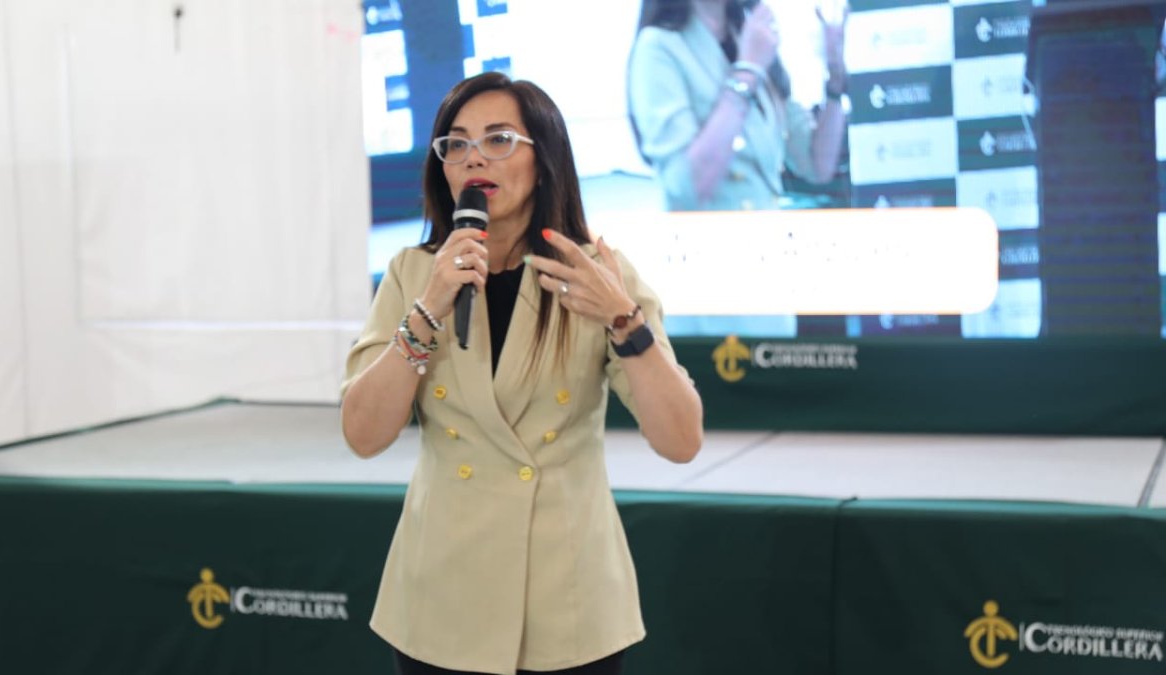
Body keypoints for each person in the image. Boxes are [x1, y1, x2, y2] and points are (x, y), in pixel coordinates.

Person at [340, 72, 704, 675]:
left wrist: (623, 319)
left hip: (569, 597)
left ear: (545, 159)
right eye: (456, 143)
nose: (474, 157)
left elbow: (681, 440)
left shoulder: (597, 274)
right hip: (443, 595)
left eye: (499, 139)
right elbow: (363, 434)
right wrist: (427, 310)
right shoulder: (414, 274)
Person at [627, 0, 848, 211]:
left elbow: (817, 165)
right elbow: (687, 187)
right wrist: (747, 72)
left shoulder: (749, 38)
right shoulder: (658, 46)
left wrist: (835, 79)